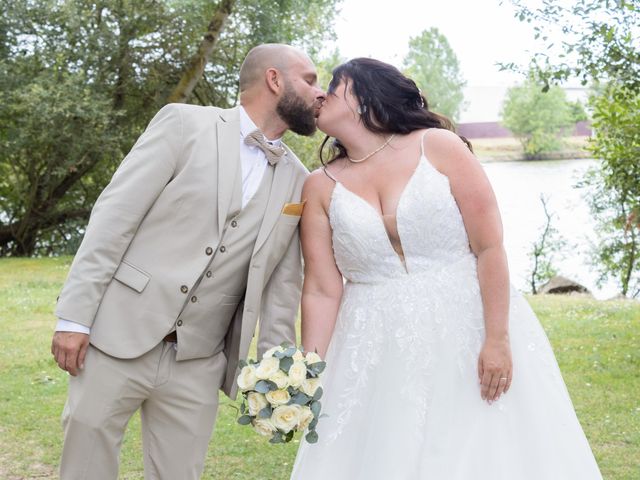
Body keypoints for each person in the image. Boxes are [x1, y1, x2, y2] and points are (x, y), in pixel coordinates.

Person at [290, 58, 602, 479]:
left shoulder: (438, 147)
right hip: (374, 346)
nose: (322, 94)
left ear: (366, 98)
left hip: (466, 329)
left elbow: (489, 247)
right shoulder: (319, 186)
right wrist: (309, 372)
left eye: (334, 84)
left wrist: (497, 339)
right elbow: (323, 290)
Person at [50, 43, 325, 480]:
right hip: (118, 334)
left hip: (199, 357)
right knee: (85, 465)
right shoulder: (183, 124)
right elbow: (113, 219)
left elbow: (282, 285)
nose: (319, 92)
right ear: (275, 80)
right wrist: (74, 319)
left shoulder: (299, 180)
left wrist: (278, 376)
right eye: (310, 80)